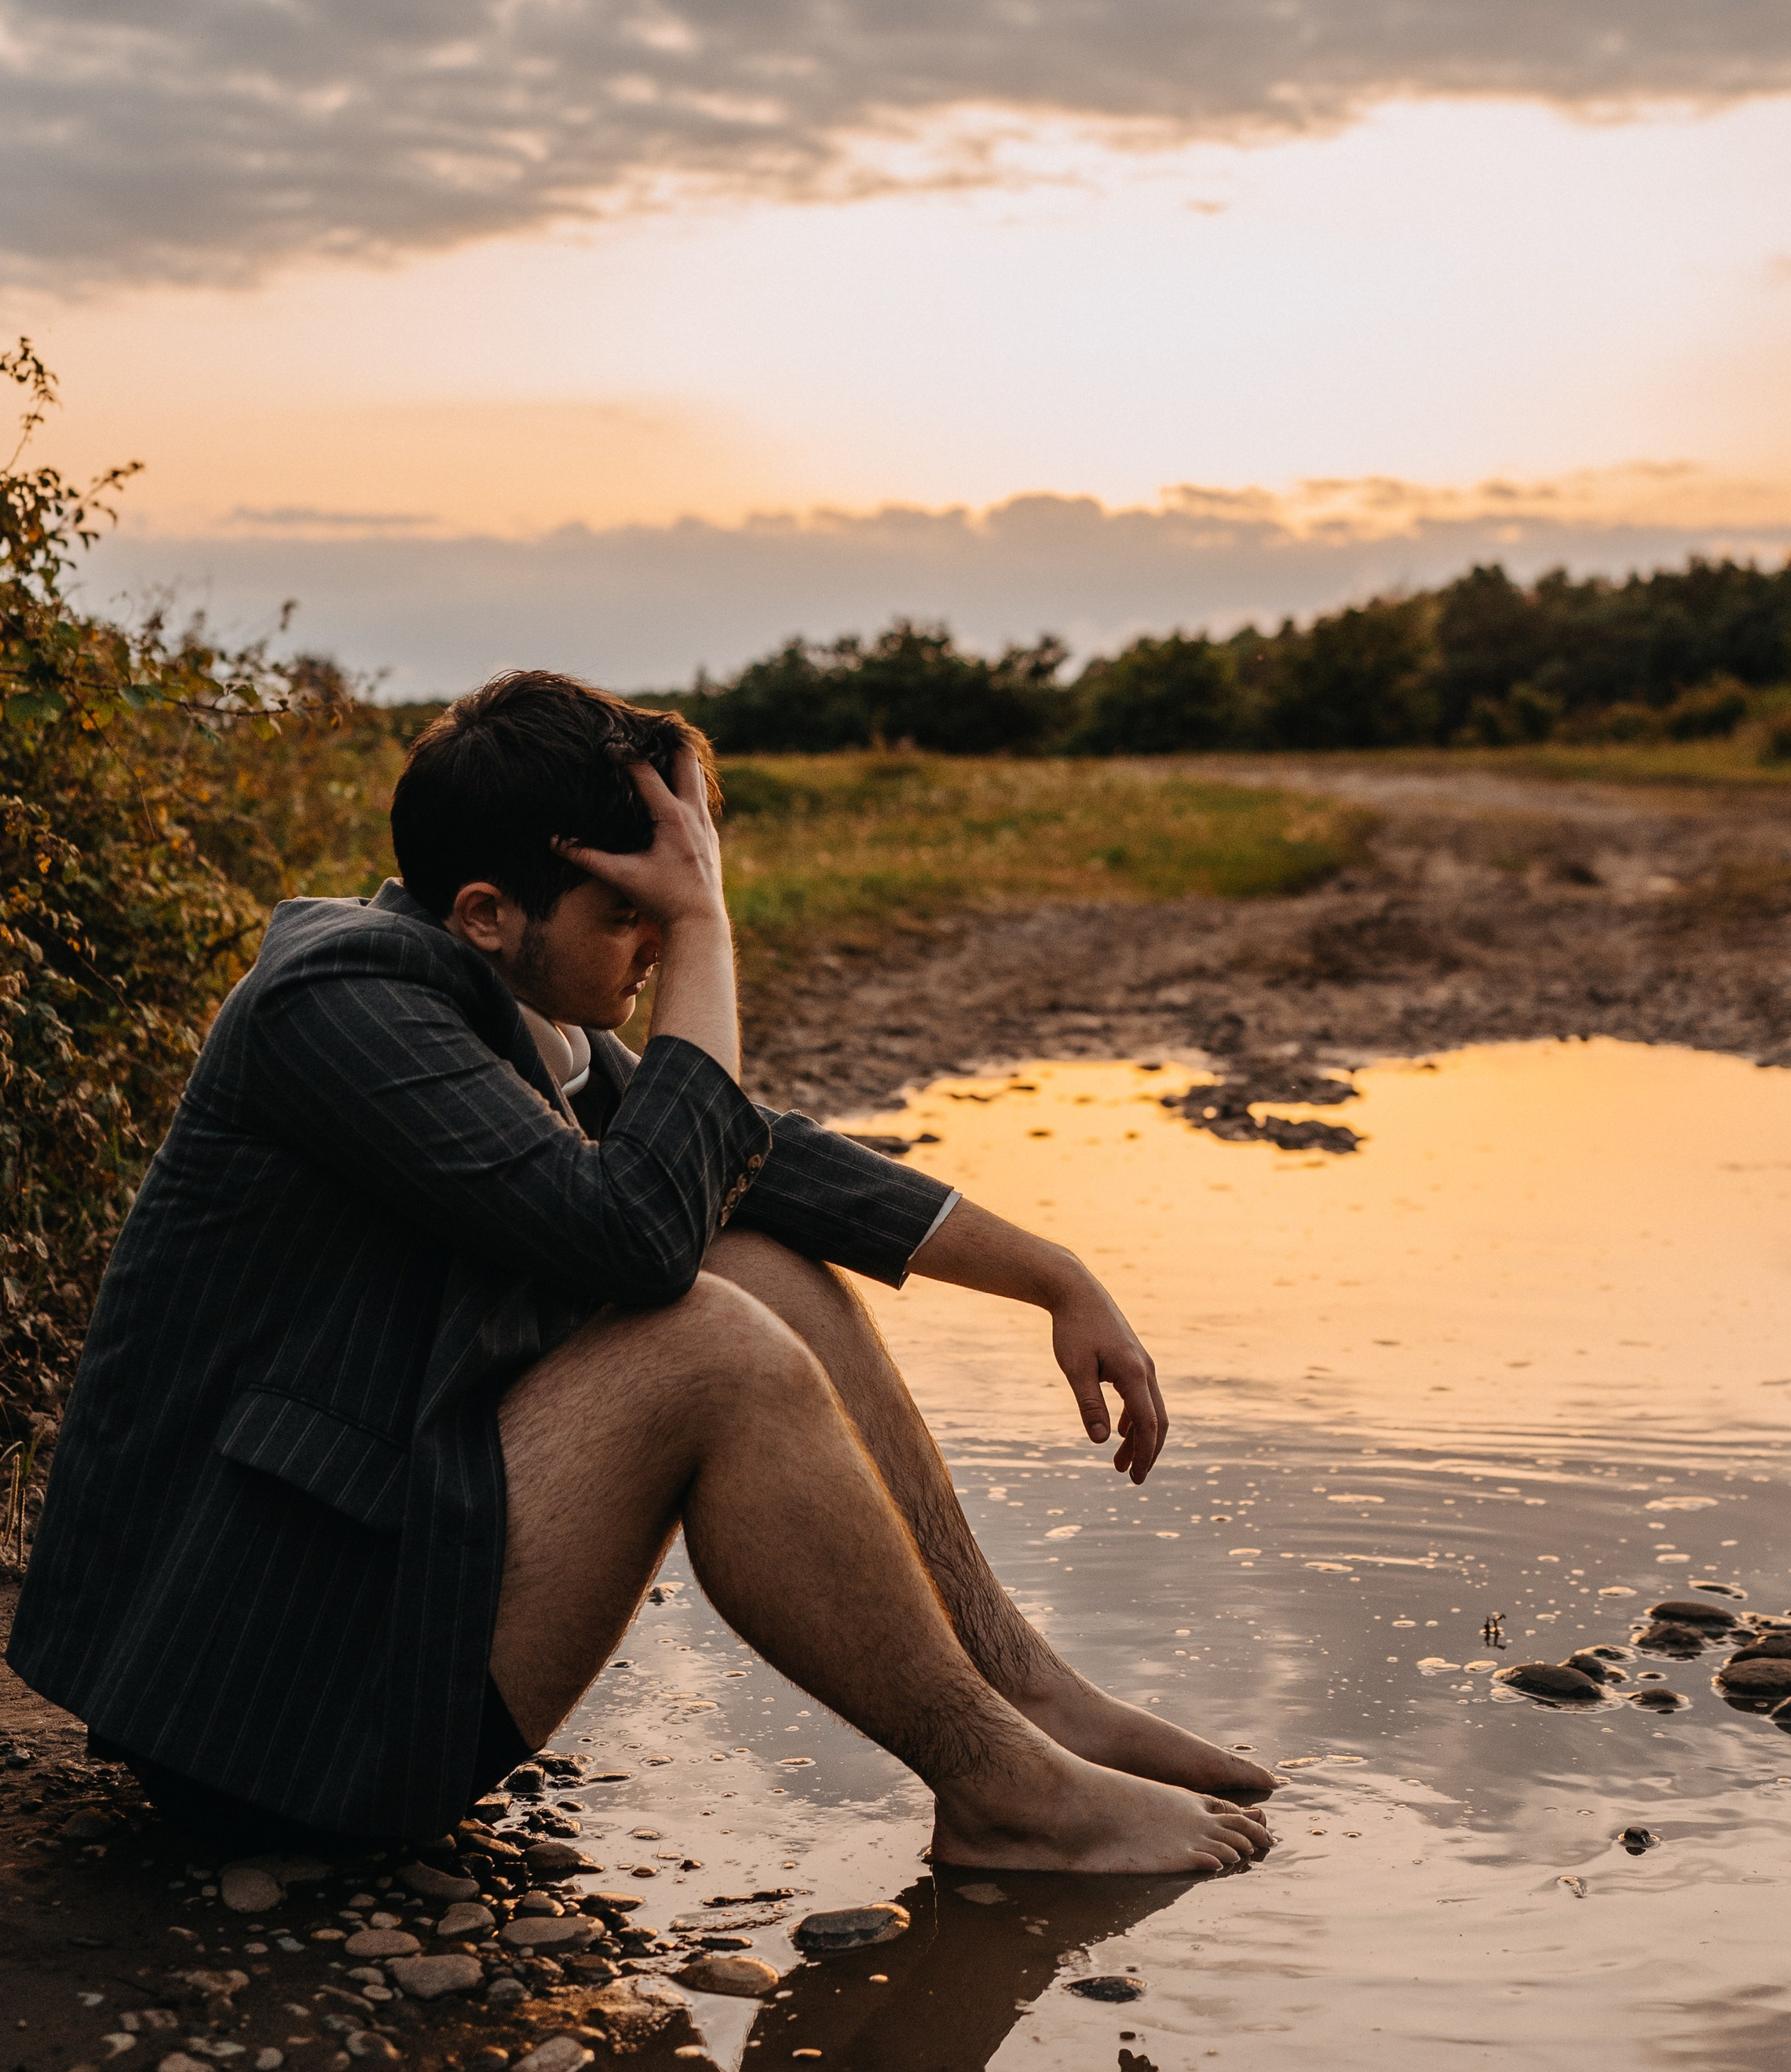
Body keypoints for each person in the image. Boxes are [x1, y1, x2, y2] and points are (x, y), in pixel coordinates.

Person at [8, 672, 1273, 1876]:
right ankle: (1008, 1794)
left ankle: (1028, 1697)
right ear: (489, 914)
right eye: (632, 914)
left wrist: (1056, 1275)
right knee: (711, 1341)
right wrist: (708, 927)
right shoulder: (338, 1000)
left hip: (347, 1608)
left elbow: (764, 1164)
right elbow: (640, 1239)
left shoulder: (494, 1001)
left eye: (667, 910)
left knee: (760, 1262)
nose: (658, 949)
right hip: (264, 1707)